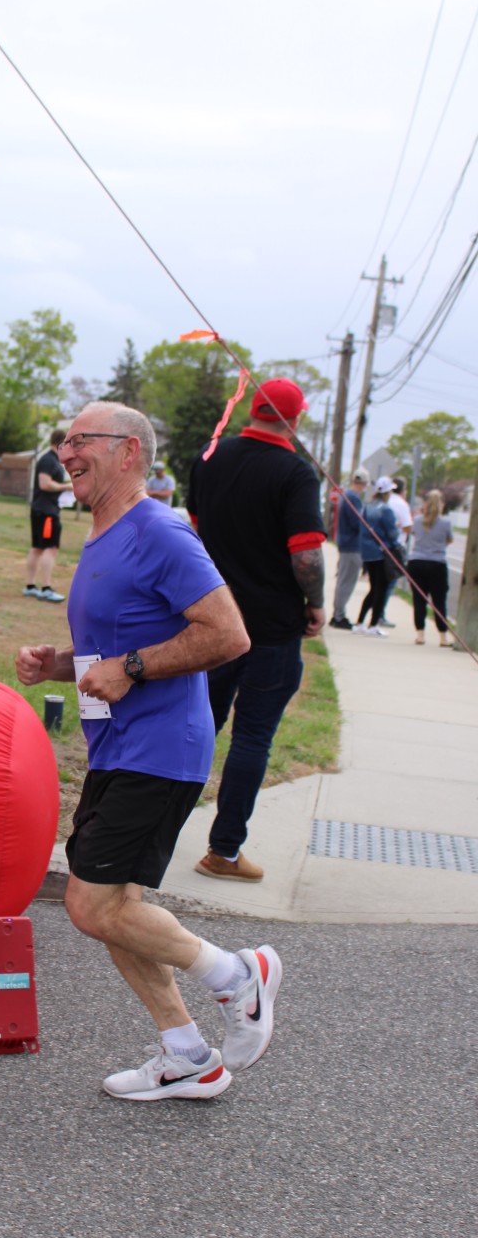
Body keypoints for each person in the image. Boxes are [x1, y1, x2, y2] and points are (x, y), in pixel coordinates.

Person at [16, 402, 281, 1104]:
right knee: (117, 908)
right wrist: (58, 664)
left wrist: (131, 670)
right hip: (117, 747)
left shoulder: (159, 530)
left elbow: (228, 634)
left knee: (91, 905)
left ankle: (238, 976)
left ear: (128, 450)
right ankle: (187, 1055)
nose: (65, 453)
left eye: (80, 440)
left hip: (161, 750)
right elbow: (118, 644)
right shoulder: (104, 533)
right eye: (63, 441)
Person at [187, 377, 326, 883]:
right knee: (252, 738)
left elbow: (194, 529)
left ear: (253, 409)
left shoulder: (210, 457)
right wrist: (316, 605)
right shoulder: (296, 472)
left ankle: (153, 832)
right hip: (271, 628)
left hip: (212, 617)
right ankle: (222, 852)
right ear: (295, 418)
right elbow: (306, 555)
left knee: (196, 728)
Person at [23, 427, 69, 603]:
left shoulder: (52, 460)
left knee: (38, 547)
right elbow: (45, 484)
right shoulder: (48, 460)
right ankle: (46, 588)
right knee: (50, 548)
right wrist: (66, 487)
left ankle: (30, 586)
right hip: (46, 512)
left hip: (43, 509)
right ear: (61, 443)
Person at [353, 477, 401, 637]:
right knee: (381, 589)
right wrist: (396, 540)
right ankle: (373, 625)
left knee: (374, 589)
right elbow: (392, 534)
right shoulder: (386, 510)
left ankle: (360, 622)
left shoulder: (367, 507)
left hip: (368, 553)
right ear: (388, 492)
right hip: (382, 553)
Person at [408, 489, 454, 646]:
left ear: (425, 504)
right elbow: (449, 540)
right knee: (439, 601)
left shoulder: (417, 521)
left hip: (417, 562)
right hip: (437, 563)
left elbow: (414, 534)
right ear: (441, 504)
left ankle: (420, 635)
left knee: (419, 600)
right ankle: (443, 636)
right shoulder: (446, 523)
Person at [330, 466, 370, 629]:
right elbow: (357, 522)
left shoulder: (346, 495)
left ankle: (338, 614)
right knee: (347, 581)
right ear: (364, 484)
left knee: (343, 580)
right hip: (351, 546)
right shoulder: (353, 498)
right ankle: (338, 616)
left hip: (346, 544)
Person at [376, 474, 413, 626]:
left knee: (379, 583)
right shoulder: (401, 504)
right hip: (394, 548)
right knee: (389, 583)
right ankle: (379, 615)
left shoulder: (384, 502)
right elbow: (408, 527)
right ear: (403, 490)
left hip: (378, 546)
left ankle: (376, 614)